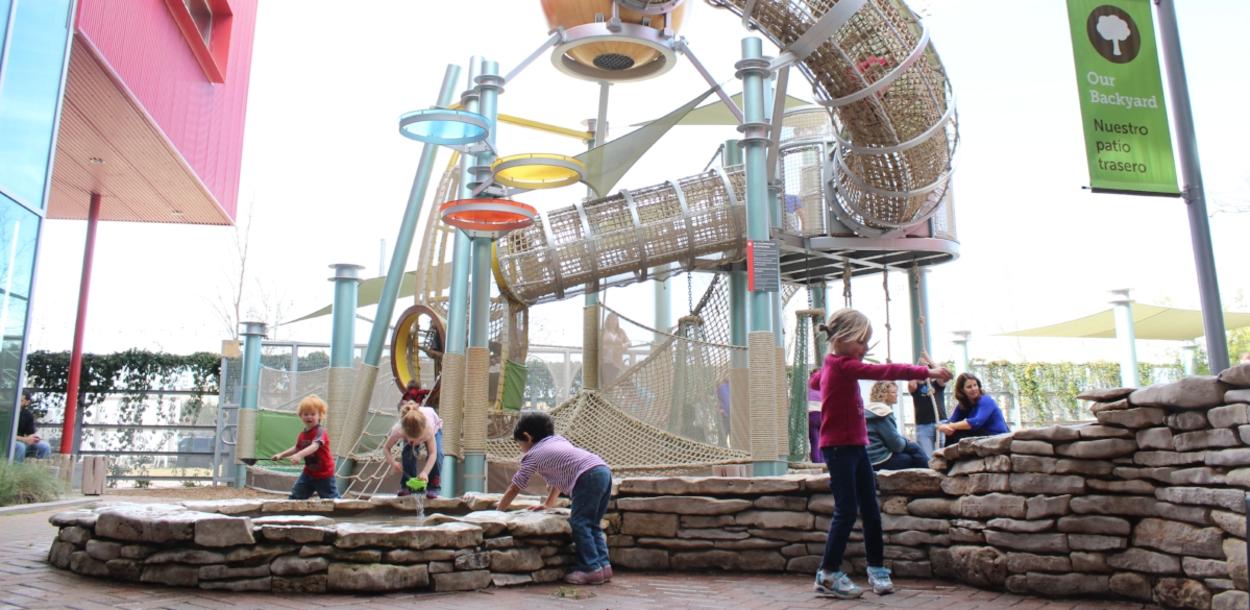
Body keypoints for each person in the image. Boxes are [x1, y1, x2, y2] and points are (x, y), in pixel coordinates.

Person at [808, 308, 951, 599]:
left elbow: (815, 381)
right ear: (843, 338)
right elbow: (885, 371)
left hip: (857, 447)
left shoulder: (832, 365)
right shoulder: (843, 366)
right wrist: (926, 372)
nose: (865, 350)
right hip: (838, 449)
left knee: (871, 509)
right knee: (846, 510)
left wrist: (821, 376)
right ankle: (828, 573)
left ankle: (876, 567)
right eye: (861, 342)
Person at [497, 411, 613, 586]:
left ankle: (590, 569)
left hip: (587, 476)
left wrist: (498, 512)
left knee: (580, 522)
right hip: (602, 470)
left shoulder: (533, 455)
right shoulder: (558, 441)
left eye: (520, 443)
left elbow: (516, 486)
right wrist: (548, 504)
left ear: (528, 437)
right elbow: (558, 480)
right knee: (592, 523)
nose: (521, 448)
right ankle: (603, 566)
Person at [273, 395, 338, 499]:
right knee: (297, 495)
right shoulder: (303, 434)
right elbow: (297, 448)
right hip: (308, 473)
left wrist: (299, 455)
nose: (309, 417)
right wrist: (281, 454)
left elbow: (314, 446)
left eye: (313, 414)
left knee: (330, 498)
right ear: (300, 415)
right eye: (306, 414)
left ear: (320, 416)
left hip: (324, 474)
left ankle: (339, 512)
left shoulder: (320, 432)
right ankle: (294, 510)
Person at [382, 400, 442, 498]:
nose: (417, 442)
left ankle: (433, 487)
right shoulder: (398, 430)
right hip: (413, 429)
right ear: (404, 433)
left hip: (433, 424)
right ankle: (408, 485)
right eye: (413, 440)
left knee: (439, 454)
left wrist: (425, 472)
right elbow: (386, 448)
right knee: (408, 452)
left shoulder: (429, 428)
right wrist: (393, 463)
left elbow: (433, 453)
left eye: (419, 439)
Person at [865, 381, 928, 471]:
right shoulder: (882, 412)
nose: (897, 395)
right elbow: (897, 446)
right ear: (884, 395)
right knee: (913, 450)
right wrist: (906, 442)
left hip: (868, 459)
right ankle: (933, 475)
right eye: (893, 392)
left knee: (911, 448)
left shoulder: (868, 410)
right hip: (879, 460)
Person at [938, 373, 1010, 443]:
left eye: (975, 385)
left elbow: (976, 422)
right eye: (969, 387)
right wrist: (943, 427)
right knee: (952, 433)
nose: (973, 389)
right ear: (962, 390)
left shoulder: (986, 400)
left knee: (956, 432)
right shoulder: (963, 405)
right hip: (981, 435)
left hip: (996, 435)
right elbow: (952, 421)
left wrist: (951, 426)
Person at [908, 362, 947, 458]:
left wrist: (928, 360)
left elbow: (942, 374)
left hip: (941, 423)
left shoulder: (937, 384)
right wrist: (918, 368)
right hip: (923, 426)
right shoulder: (916, 387)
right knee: (927, 457)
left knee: (944, 455)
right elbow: (911, 385)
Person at [14, 390, 51, 463]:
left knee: (45, 446)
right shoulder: (4, 412)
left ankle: (40, 471)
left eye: (21, 400)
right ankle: (15, 471)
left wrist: (34, 438)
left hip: (22, 441)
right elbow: (5, 435)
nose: (17, 402)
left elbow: (30, 434)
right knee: (20, 447)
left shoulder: (27, 415)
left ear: (27, 402)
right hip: (7, 443)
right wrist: (24, 439)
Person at [600, 313, 630, 387]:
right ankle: (605, 397)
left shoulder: (621, 331)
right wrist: (604, 347)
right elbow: (597, 343)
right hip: (604, 360)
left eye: (615, 320)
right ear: (608, 321)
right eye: (612, 320)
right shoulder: (602, 331)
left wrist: (623, 345)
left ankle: (609, 397)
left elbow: (628, 342)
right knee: (605, 382)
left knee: (612, 382)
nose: (613, 322)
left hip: (616, 361)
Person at [807, 369, 822, 462]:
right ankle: (823, 462)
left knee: (814, 441)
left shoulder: (808, 386)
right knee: (823, 441)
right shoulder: (824, 383)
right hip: (823, 415)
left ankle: (816, 462)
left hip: (811, 415)